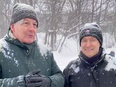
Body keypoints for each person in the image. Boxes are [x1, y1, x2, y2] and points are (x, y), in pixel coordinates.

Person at [0, 3, 64, 87]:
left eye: (34, 25)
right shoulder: (1, 50)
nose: (32, 29)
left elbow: (61, 78)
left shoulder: (45, 52)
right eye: (26, 23)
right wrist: (18, 83)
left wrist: (49, 82)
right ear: (12, 27)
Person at [63, 22, 116, 87]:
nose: (88, 45)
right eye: (84, 40)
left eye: (92, 40)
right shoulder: (71, 69)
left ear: (99, 43)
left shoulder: (113, 66)